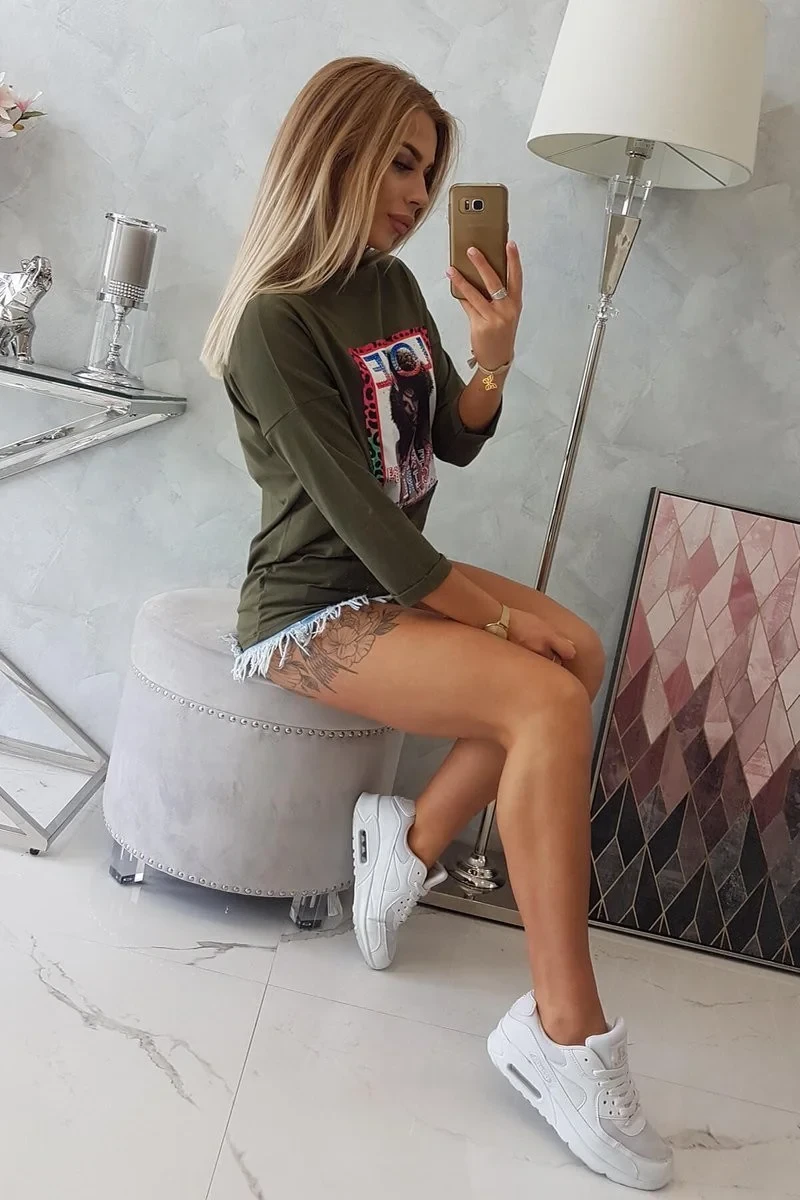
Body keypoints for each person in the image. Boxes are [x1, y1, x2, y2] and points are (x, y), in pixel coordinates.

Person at [202, 56, 672, 1192]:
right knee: (545, 694)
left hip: (395, 578)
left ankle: (406, 845)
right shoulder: (273, 323)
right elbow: (369, 522)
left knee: (578, 651)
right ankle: (562, 1036)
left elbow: (446, 443)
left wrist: (492, 358)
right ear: (337, 153)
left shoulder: (394, 286)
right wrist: (498, 630)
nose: (419, 195)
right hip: (313, 606)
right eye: (402, 165)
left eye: (429, 172)